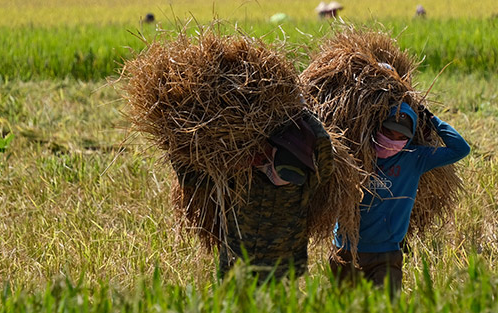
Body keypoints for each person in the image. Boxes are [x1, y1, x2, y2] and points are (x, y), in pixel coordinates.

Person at [173, 110, 334, 281]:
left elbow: (324, 149)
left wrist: (301, 111)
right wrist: (174, 138)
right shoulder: (239, 174)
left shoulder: (305, 181)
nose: (281, 178)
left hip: (280, 271)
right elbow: (189, 177)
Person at [329, 102, 470, 295]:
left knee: (386, 310)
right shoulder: (353, 152)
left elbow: (460, 149)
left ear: (409, 138)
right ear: (377, 128)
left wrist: (431, 119)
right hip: (345, 251)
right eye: (388, 132)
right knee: (346, 310)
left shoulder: (415, 159)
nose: (392, 140)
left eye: (401, 137)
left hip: (385, 255)